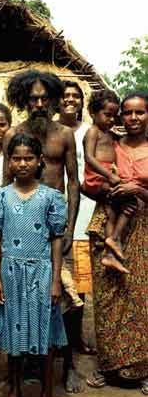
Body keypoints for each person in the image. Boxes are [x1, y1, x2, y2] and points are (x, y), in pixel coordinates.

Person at [4, 70, 79, 391]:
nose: (38, 103)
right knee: (27, 295)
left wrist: (70, 229)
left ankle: (69, 364)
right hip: (23, 229)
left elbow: (73, 183)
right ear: (23, 100)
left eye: (43, 98)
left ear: (52, 99)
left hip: (57, 225)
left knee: (70, 297)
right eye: (32, 98)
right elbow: (6, 185)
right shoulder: (13, 135)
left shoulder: (64, 134)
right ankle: (30, 364)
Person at [0, 133, 67, 397]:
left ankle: (47, 394)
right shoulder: (0, 196)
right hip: (10, 273)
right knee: (14, 334)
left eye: (28, 158)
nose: (22, 163)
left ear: (39, 161)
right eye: (16, 158)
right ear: (9, 162)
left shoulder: (51, 196)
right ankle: (14, 393)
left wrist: (56, 279)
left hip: (42, 272)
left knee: (44, 335)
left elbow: (57, 239)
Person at [86, 92, 148, 395]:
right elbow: (88, 184)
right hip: (109, 220)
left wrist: (139, 189)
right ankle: (107, 364)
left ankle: (144, 368)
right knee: (108, 293)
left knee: (141, 295)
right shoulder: (110, 143)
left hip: (144, 226)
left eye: (140, 113)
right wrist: (111, 193)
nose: (133, 118)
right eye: (128, 113)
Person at [58, 81, 97, 394]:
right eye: (66, 96)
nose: (71, 100)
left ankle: (77, 336)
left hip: (86, 206)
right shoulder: (52, 131)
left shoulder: (89, 131)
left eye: (76, 96)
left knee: (80, 279)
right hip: (60, 208)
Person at [83, 89, 134, 273]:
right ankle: (113, 239)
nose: (111, 119)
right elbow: (89, 157)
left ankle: (109, 247)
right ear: (93, 113)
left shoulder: (111, 135)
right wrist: (109, 175)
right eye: (107, 115)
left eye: (114, 116)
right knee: (128, 202)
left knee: (113, 209)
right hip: (97, 177)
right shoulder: (93, 132)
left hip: (107, 176)